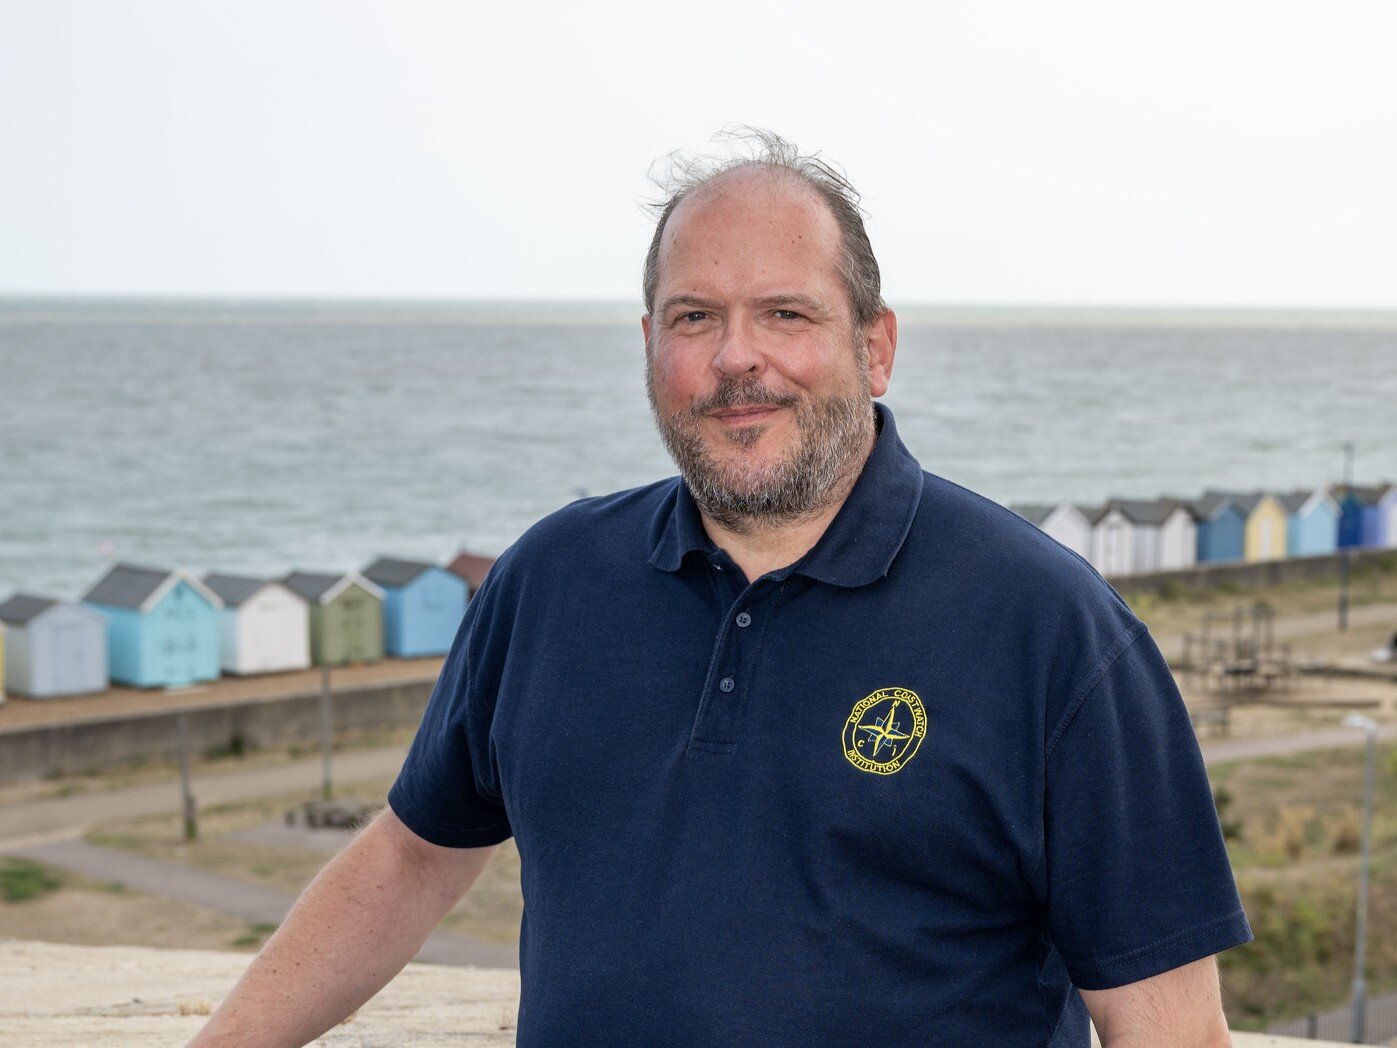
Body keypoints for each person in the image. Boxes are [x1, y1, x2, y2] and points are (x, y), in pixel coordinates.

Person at [190, 130, 1250, 1047]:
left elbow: (1166, 1023)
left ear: (874, 346)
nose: (737, 359)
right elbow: (411, 857)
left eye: (784, 313)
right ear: (649, 345)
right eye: (694, 317)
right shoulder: (550, 580)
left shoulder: (1048, 626)